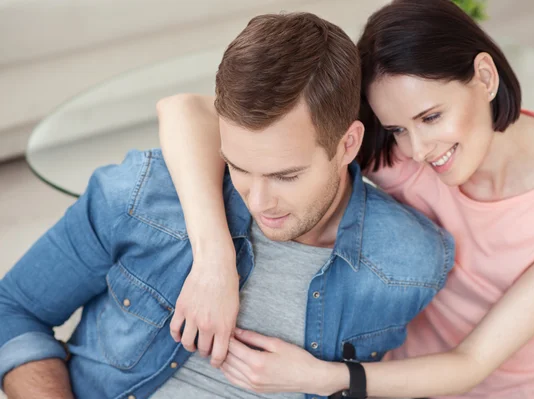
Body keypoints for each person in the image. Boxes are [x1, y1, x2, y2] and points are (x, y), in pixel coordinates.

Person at [156, 0, 534, 398]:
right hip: (412, 376)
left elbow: (472, 364)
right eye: (397, 128)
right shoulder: (396, 152)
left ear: (484, 77)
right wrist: (214, 262)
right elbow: (183, 111)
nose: (420, 149)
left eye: (431, 116)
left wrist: (320, 377)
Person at [0, 12, 454, 399]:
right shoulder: (140, 197)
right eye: (238, 167)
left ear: (348, 143)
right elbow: (13, 309)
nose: (259, 201)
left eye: (285, 175)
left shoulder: (409, 263)